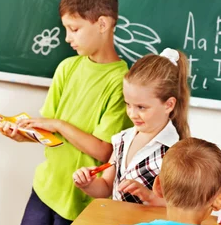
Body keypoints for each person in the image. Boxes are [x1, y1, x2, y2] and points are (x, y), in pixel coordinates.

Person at [0, 0, 132, 225]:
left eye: (74, 29)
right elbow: (51, 135)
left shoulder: (122, 83)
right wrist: (20, 133)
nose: (68, 38)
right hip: (45, 189)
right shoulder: (67, 68)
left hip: (81, 200)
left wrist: (57, 124)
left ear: (103, 24)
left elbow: (103, 150)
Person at [73, 48, 190, 204]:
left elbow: (180, 207)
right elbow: (106, 187)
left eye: (141, 107)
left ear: (168, 105)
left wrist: (149, 197)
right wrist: (88, 184)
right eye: (128, 104)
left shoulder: (176, 151)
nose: (132, 114)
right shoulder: (122, 139)